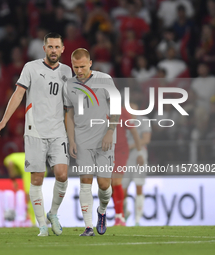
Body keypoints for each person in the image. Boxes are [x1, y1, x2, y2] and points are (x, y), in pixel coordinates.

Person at [0, 33, 72, 237]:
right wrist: (4, 121)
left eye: (56, 47)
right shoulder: (31, 68)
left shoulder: (68, 72)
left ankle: (53, 213)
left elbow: (70, 106)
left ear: (62, 49)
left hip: (58, 131)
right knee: (37, 179)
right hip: (35, 132)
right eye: (50, 47)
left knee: (62, 174)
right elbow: (18, 94)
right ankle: (42, 223)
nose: (53, 50)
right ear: (44, 49)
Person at [64, 48, 119, 236]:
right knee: (85, 181)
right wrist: (71, 140)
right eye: (75, 67)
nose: (78, 71)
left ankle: (102, 211)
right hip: (82, 140)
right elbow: (69, 114)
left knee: (104, 185)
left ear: (90, 63)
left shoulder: (105, 80)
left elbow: (116, 108)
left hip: (104, 138)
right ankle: (88, 227)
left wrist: (110, 132)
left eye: (82, 66)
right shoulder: (68, 85)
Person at [111, 107, 144, 226]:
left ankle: (119, 216)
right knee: (108, 185)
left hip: (120, 151)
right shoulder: (98, 109)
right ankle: (121, 213)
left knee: (116, 181)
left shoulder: (121, 111)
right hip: (107, 150)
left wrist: (140, 152)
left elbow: (134, 131)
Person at [122, 103, 152, 226]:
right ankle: (125, 212)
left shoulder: (143, 120)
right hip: (125, 156)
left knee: (139, 186)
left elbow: (146, 139)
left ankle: (138, 220)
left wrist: (131, 146)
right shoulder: (121, 121)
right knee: (121, 189)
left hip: (139, 154)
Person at [4, 152, 47, 226]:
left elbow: (10, 164)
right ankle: (43, 217)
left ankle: (36, 221)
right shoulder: (21, 157)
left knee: (30, 197)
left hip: (30, 171)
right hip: (42, 169)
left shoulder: (8, 159)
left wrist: (13, 181)